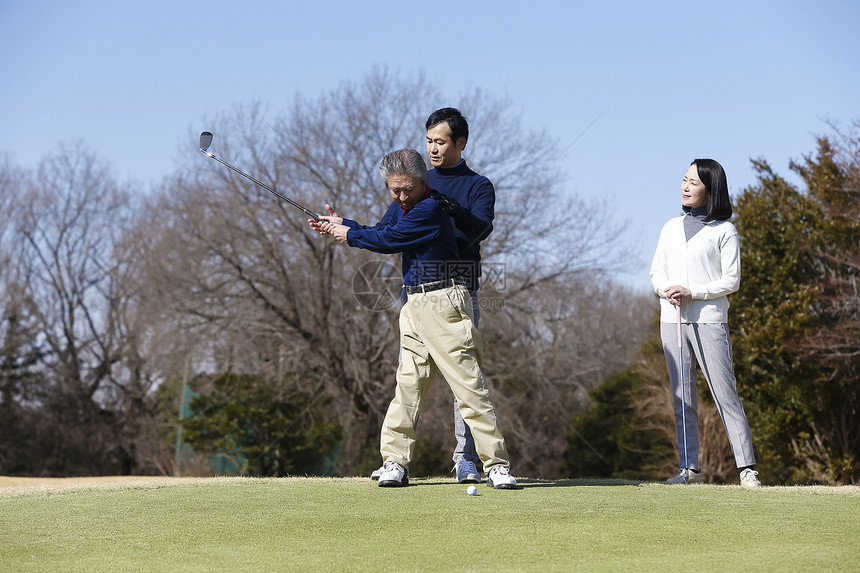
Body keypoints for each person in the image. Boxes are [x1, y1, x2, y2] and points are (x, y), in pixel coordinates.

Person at [314, 148, 517, 489]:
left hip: (445, 302)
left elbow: (390, 239)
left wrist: (349, 236)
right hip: (413, 304)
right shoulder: (404, 206)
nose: (402, 196)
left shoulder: (430, 207)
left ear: (424, 183)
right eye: (396, 190)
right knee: (407, 385)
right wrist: (343, 224)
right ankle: (395, 461)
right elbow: (381, 228)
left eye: (409, 188)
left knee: (469, 386)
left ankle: (496, 464)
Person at [649, 159, 762, 488]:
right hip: (671, 319)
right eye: (683, 180)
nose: (685, 187)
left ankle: (747, 469)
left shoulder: (725, 231)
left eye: (693, 182)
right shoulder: (670, 227)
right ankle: (689, 469)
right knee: (681, 395)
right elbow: (657, 271)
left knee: (725, 393)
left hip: (710, 321)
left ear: (710, 191)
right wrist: (666, 290)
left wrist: (693, 292)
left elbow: (732, 280)